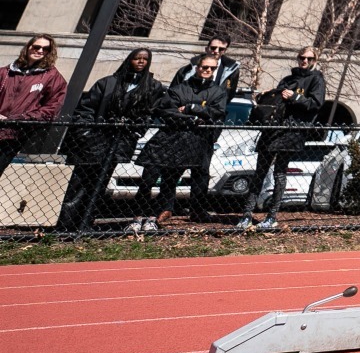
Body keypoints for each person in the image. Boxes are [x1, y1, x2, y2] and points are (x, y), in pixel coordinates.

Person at [58, 47, 163, 232]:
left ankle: (85, 224)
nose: (140, 62)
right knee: (79, 183)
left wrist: (135, 131)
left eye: (145, 60)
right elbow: (86, 109)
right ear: (129, 60)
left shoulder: (151, 87)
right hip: (93, 141)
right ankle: (66, 226)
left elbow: (148, 114)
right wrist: (87, 132)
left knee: (99, 185)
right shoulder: (108, 83)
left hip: (119, 143)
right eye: (136, 58)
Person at [132, 53, 228, 229]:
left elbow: (217, 112)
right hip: (175, 138)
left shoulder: (219, 91)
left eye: (212, 68)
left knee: (201, 175)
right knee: (170, 176)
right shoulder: (179, 89)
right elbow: (167, 110)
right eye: (204, 67)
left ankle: (197, 210)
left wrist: (192, 108)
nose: (208, 70)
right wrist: (194, 117)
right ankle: (165, 209)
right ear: (197, 67)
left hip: (201, 140)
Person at [238, 47, 324, 231]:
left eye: (309, 59)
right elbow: (276, 103)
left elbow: (316, 104)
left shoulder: (316, 79)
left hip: (293, 131)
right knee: (259, 172)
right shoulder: (287, 79)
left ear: (315, 60)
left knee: (279, 173)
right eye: (302, 58)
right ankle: (246, 215)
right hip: (273, 128)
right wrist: (270, 95)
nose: (305, 61)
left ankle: (272, 216)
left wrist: (296, 97)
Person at [170, 36, 241, 220]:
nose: (216, 51)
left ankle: (197, 209)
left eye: (221, 49)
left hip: (208, 126)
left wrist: (207, 113)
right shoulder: (190, 67)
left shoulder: (231, 69)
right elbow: (174, 94)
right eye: (213, 47)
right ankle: (167, 207)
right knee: (175, 168)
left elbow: (226, 98)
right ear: (207, 47)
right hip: (184, 125)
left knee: (201, 169)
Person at [0, 35, 67, 178]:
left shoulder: (53, 78)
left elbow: (51, 109)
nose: (40, 50)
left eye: (45, 48)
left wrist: (14, 120)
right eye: (36, 47)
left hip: (13, 135)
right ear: (28, 47)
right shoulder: (5, 73)